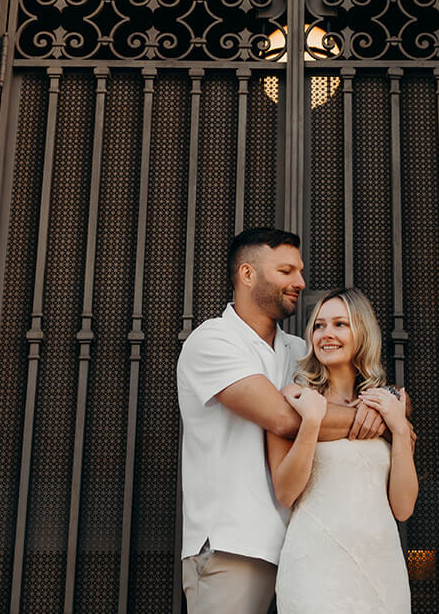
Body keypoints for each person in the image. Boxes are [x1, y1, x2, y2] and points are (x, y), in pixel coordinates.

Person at [177, 228, 388, 613]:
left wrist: (392, 408)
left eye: (300, 271)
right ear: (247, 274)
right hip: (236, 546)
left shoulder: (298, 352)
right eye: (287, 271)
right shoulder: (213, 341)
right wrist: (375, 420)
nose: (301, 282)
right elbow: (282, 419)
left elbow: (359, 385)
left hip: (307, 548)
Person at [266, 288, 417, 613]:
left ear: (361, 331)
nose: (326, 334)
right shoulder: (293, 400)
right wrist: (311, 422)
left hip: (381, 570)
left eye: (339, 324)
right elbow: (286, 492)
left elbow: (403, 508)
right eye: (319, 326)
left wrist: (400, 429)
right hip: (314, 569)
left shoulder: (387, 406)